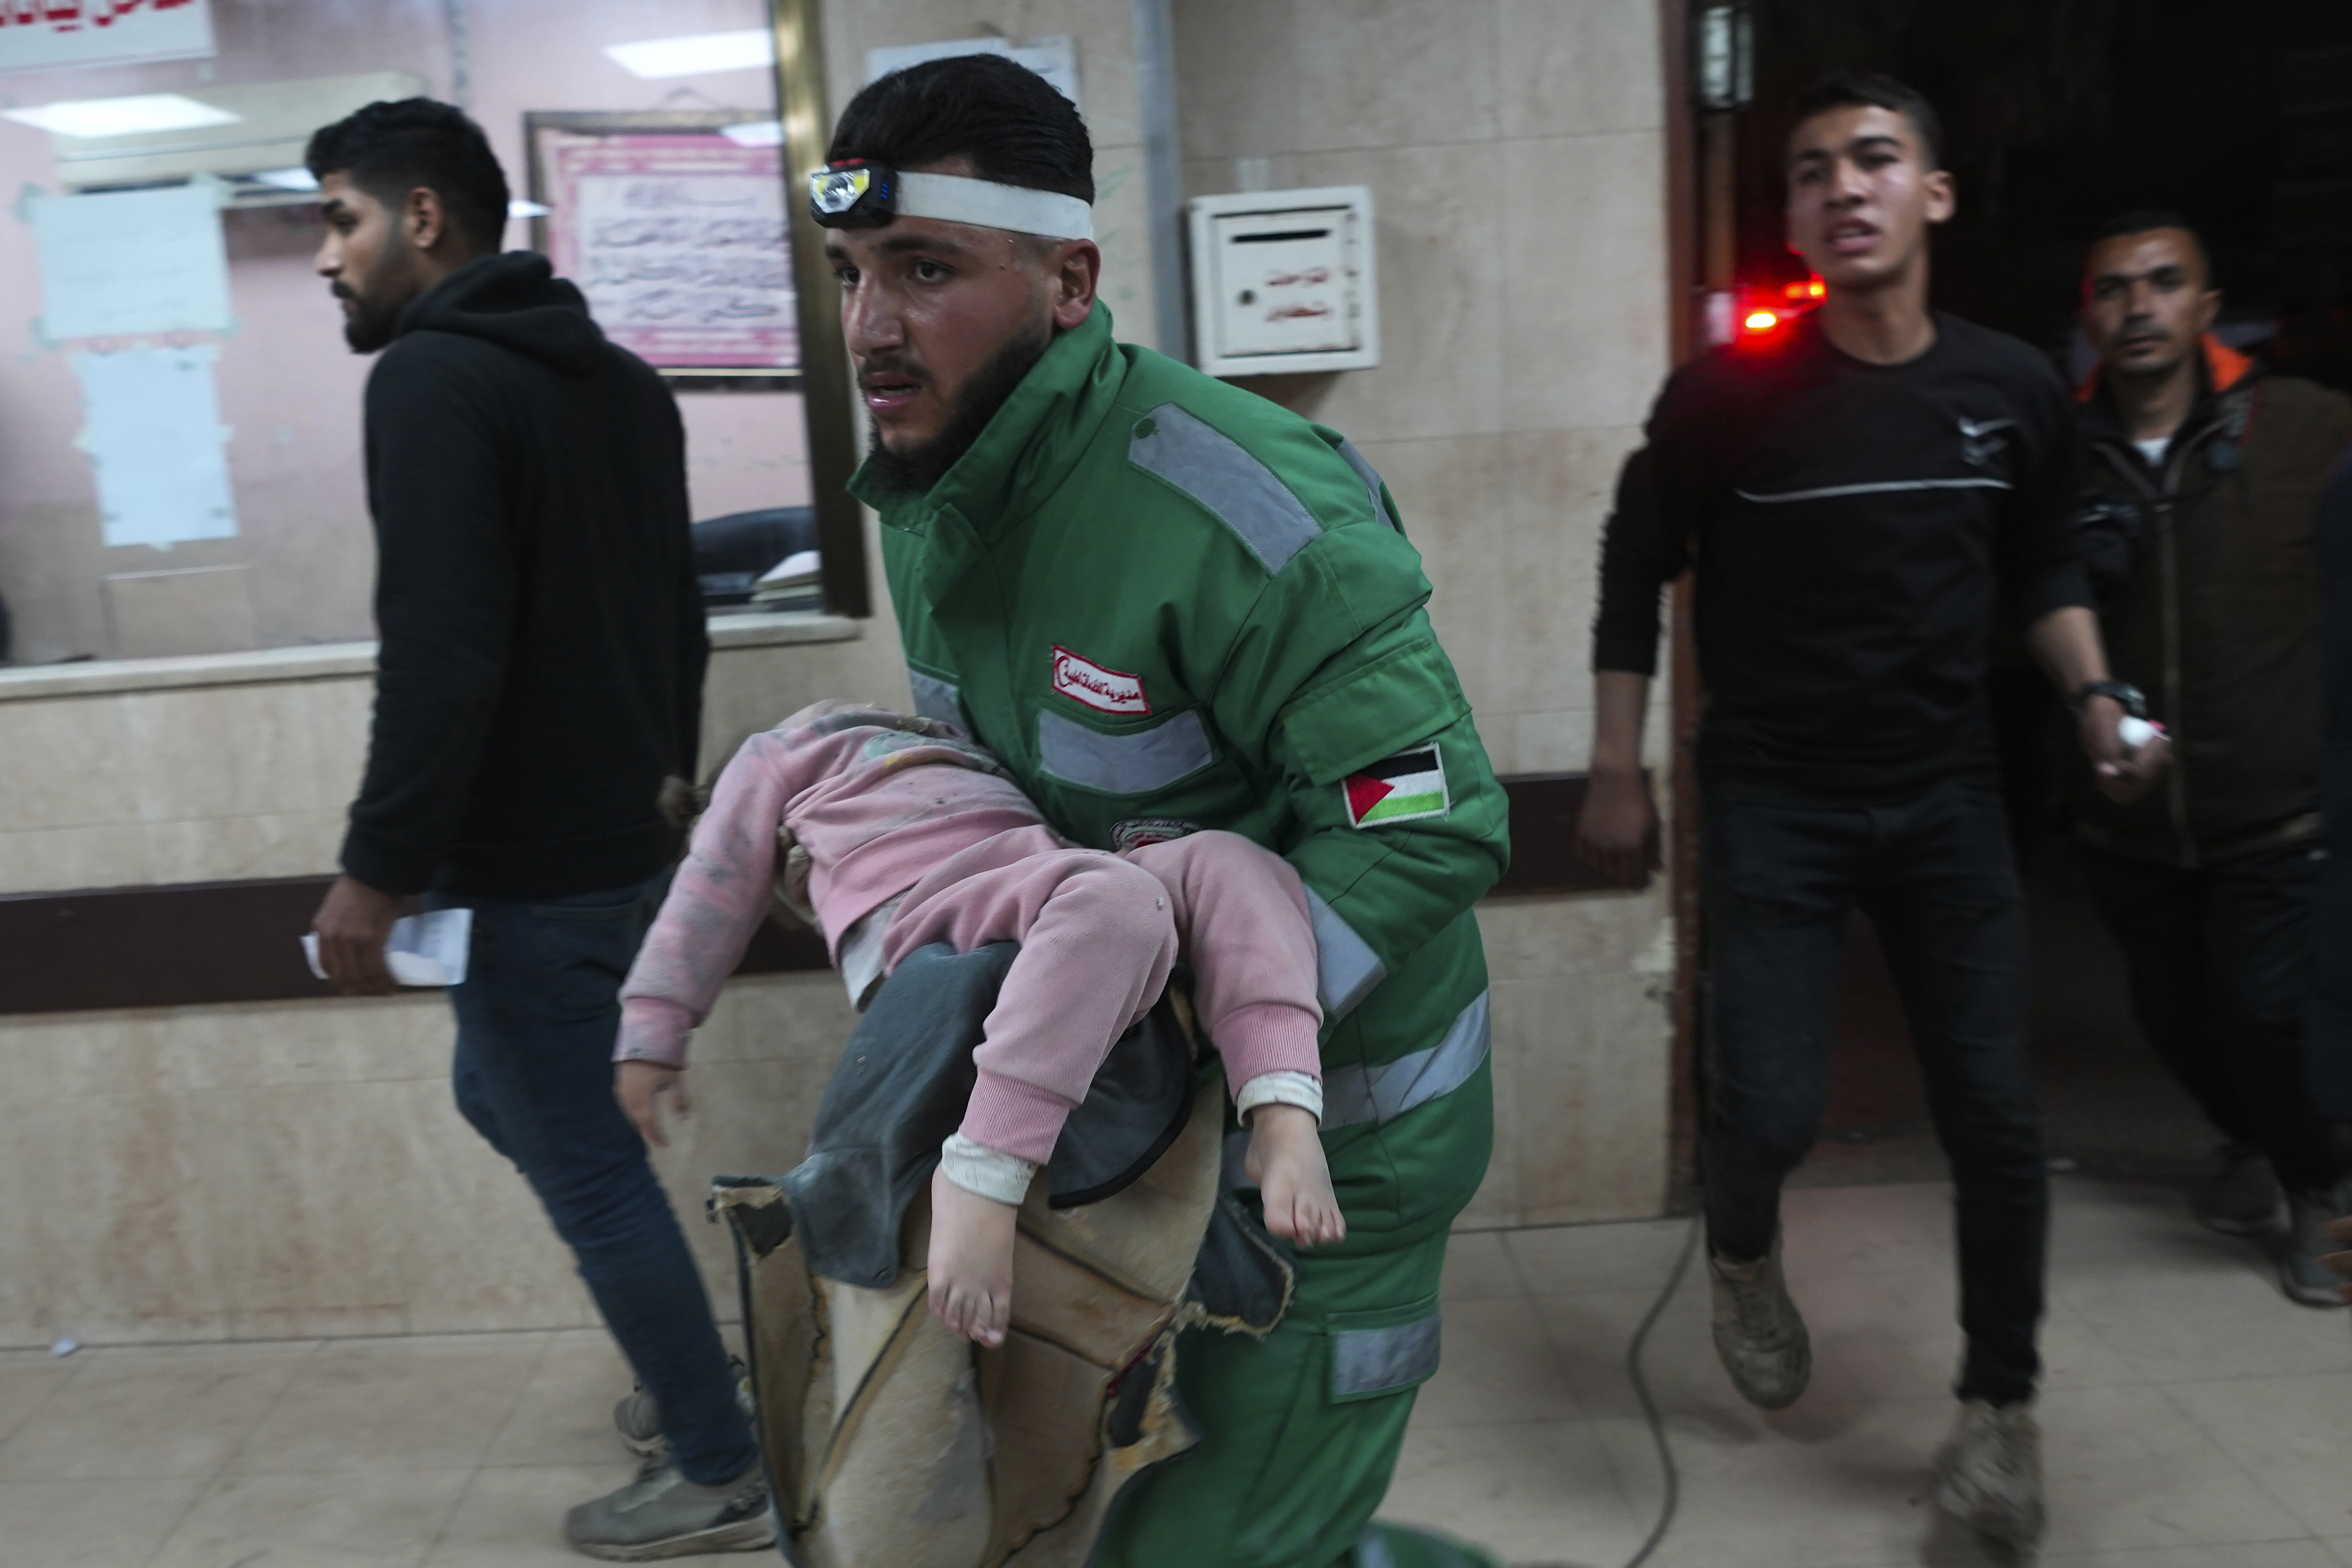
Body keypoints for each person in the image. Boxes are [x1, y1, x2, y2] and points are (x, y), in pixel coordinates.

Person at [815, 53, 1511, 1568]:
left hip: (1341, 1139)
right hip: (1136, 1135)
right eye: (852, 273)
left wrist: (1180, 1031)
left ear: (1069, 279)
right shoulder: (936, 503)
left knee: (1218, 1534)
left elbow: (1422, 810)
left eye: (924, 270)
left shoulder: (1251, 520)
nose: (872, 324)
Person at [1575, 72, 2166, 1551]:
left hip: (1948, 787)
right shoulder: (1726, 398)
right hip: (1773, 792)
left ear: (1934, 194)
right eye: (1815, 170)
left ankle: (1998, 1414)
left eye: (1877, 160)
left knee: (1992, 1113)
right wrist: (1611, 765)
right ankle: (1740, 1238)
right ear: (1791, 211)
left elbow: (2043, 568)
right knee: (1767, 1105)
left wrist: (2094, 697)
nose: (1845, 186)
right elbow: (1633, 560)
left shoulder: (2010, 388)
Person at [298, 99, 767, 1560]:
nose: (326, 256)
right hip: (629, 846)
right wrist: (665, 797)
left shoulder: (432, 381)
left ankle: (715, 1458)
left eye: (340, 219)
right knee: (512, 1101)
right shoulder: (618, 381)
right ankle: (691, 1367)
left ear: (424, 216)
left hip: (530, 874)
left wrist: (373, 871)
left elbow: (441, 652)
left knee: (584, 1161)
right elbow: (681, 619)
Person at [613, 699, 1345, 1346]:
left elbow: (712, 879)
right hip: (944, 905)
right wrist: (656, 1024)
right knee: (1118, 900)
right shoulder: (804, 770)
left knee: (1229, 860)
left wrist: (654, 1021)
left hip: (1050, 881)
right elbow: (716, 886)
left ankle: (1284, 1106)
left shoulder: (865, 742)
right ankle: (982, 1171)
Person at [2068, 212, 2352, 1303]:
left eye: (2162, 282)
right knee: (2172, 1015)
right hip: (2126, 815)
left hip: (2273, 806)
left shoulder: (2304, 427)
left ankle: (2317, 1185)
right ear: (2089, 315)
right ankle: (2244, 1141)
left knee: (2265, 1009)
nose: (2137, 305)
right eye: (2113, 287)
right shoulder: (2061, 445)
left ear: (2204, 305)